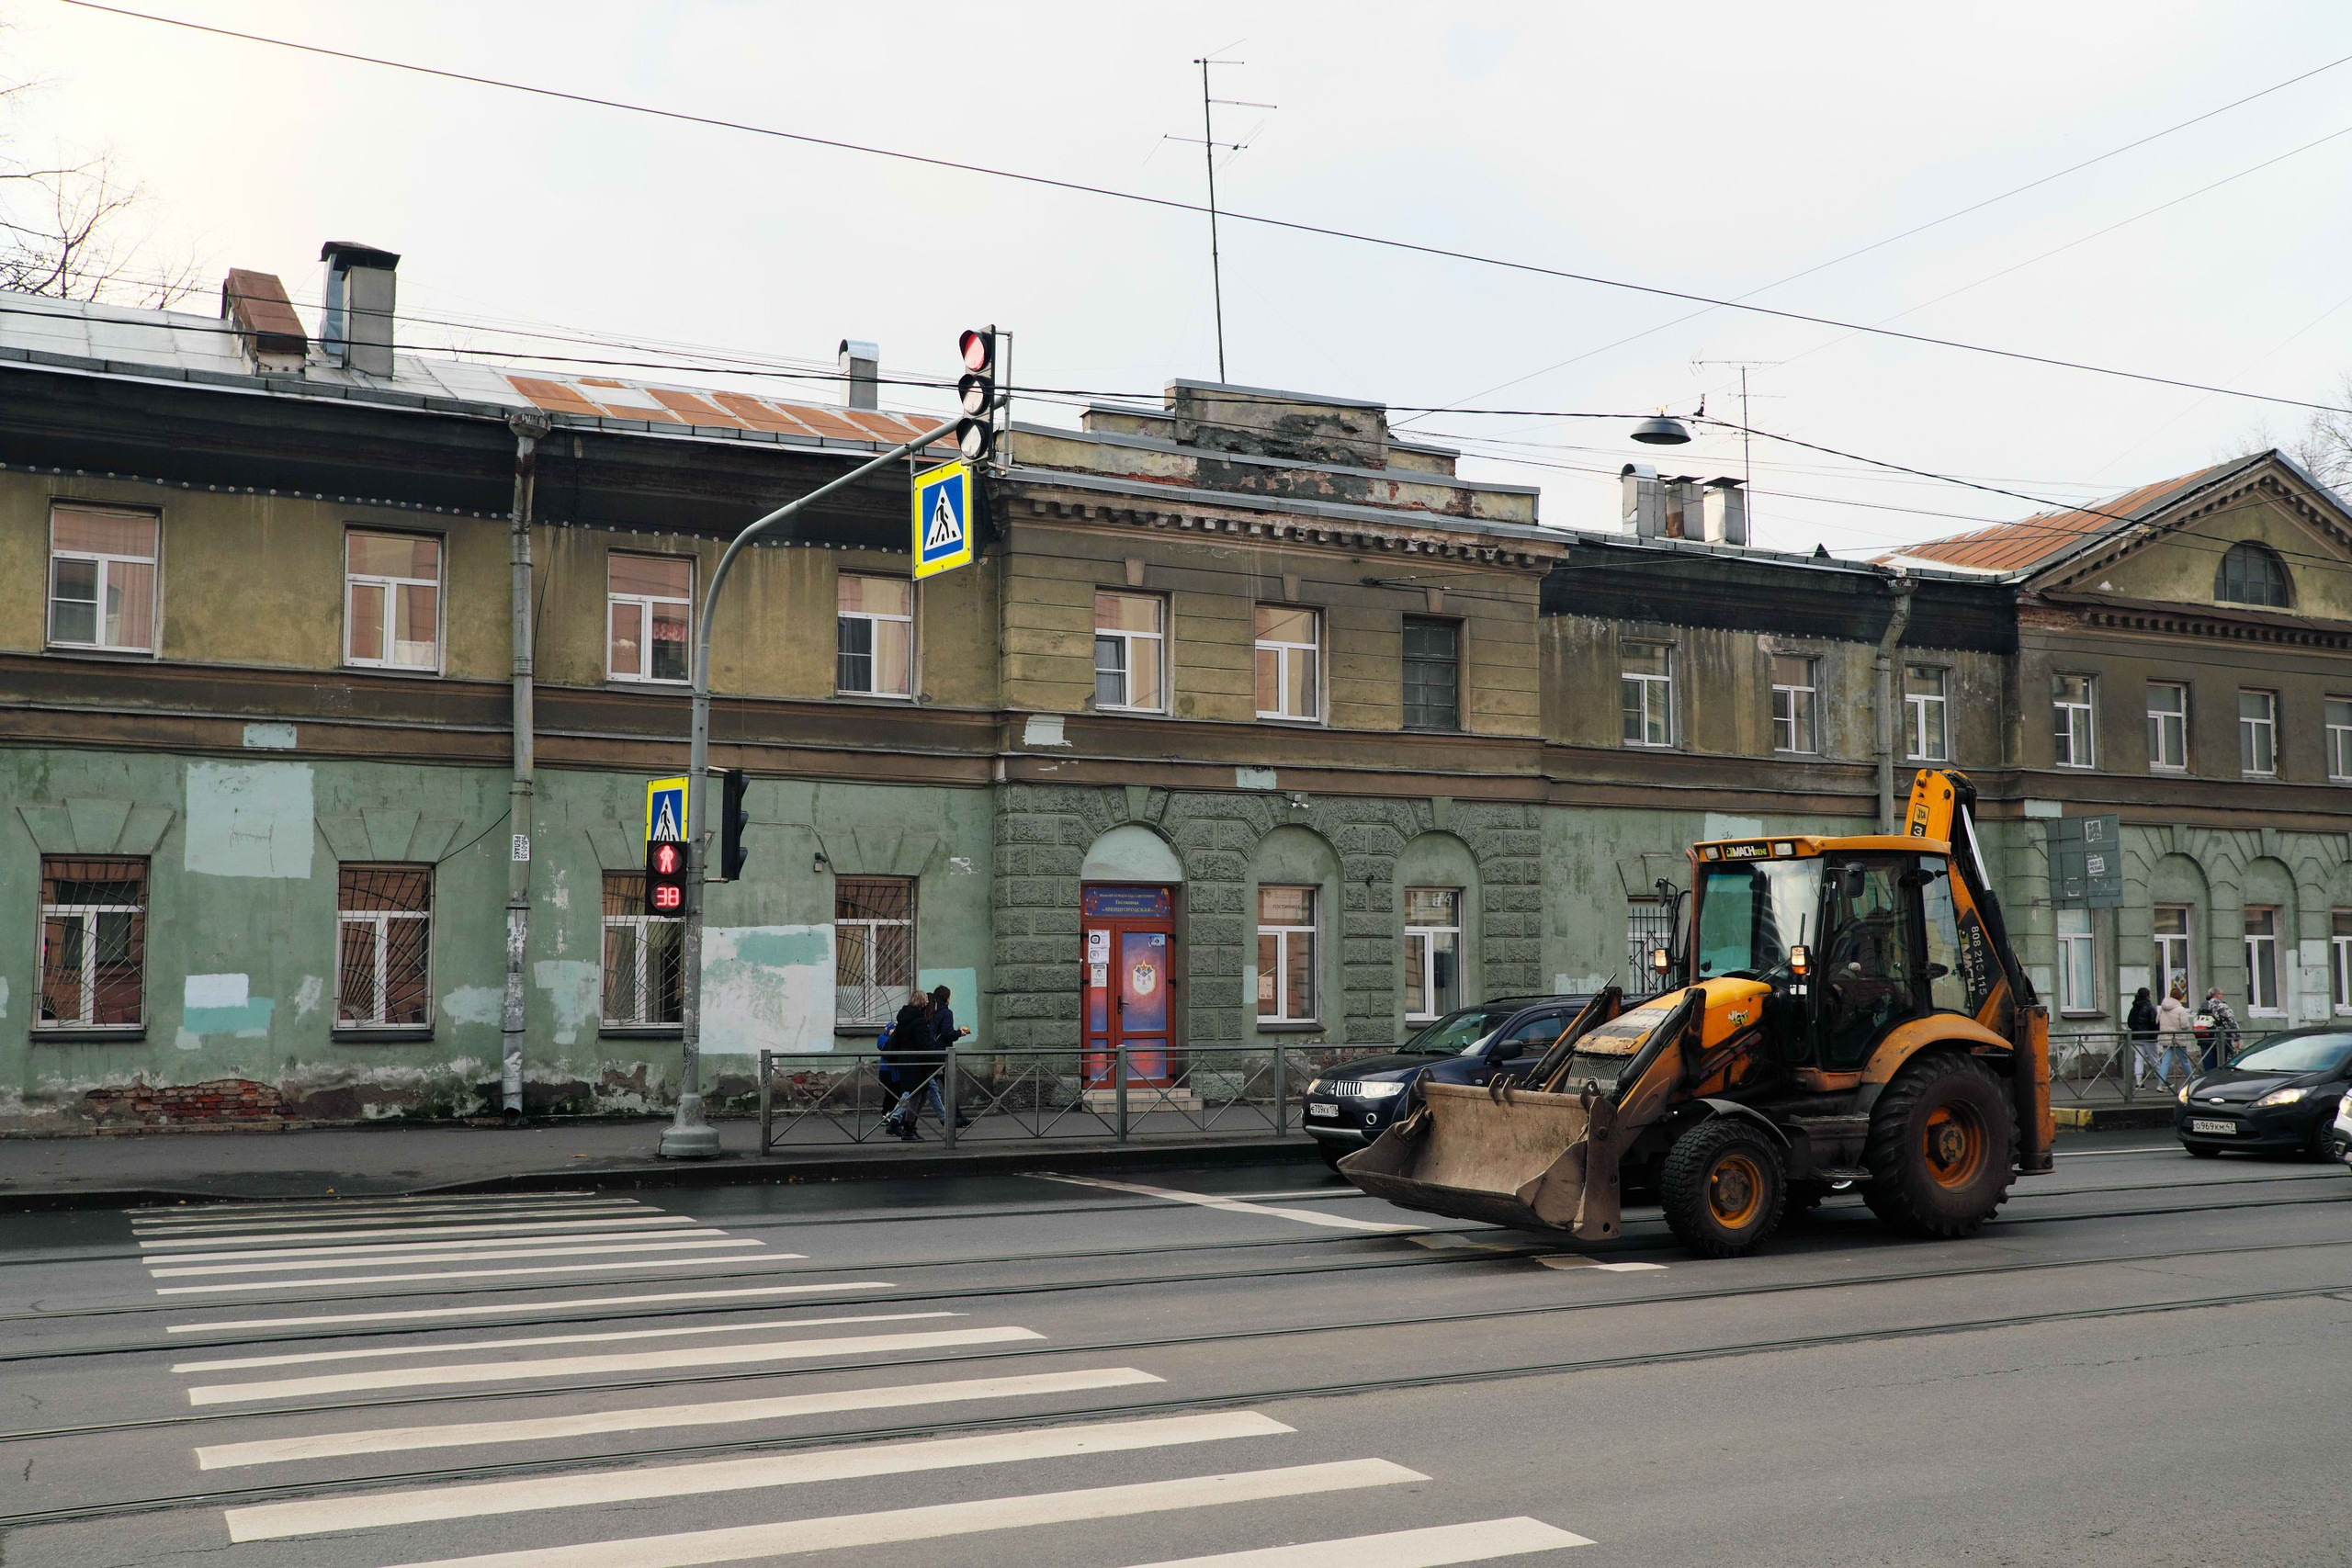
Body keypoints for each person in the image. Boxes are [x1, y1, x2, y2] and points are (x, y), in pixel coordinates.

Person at [880, 991, 941, 1141]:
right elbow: (923, 1045)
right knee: (916, 1095)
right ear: (921, 1003)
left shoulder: (903, 1019)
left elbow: (898, 1041)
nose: (927, 1003)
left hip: (905, 1062)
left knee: (918, 1094)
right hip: (917, 1063)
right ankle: (908, 1128)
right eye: (926, 1001)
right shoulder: (919, 1021)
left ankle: (904, 1125)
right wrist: (937, 1063)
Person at [2156, 983, 2195, 1086]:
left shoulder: (2162, 1008)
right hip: (2178, 1038)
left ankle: (2161, 1084)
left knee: (2165, 1062)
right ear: (2180, 997)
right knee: (2185, 1061)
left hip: (2165, 1037)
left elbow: (2157, 1020)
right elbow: (2185, 1025)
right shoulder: (2180, 1009)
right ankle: (2192, 1081)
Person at [2126, 986, 2162, 1087]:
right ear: (2148, 996)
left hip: (2136, 1037)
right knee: (2155, 1059)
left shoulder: (2134, 1008)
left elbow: (2129, 1023)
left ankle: (2139, 1082)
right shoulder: (2150, 1008)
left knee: (2139, 1059)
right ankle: (2161, 1081)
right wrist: (2155, 1034)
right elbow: (2154, 1023)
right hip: (2149, 1037)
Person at [2200, 986, 2241, 1071]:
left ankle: (2209, 1083)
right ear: (2218, 995)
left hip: (2205, 1040)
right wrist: (2236, 1038)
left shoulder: (2203, 1006)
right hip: (2221, 1041)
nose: (2222, 996)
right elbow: (2230, 1021)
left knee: (2209, 1070)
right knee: (2223, 1066)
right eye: (2221, 994)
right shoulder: (2221, 1006)